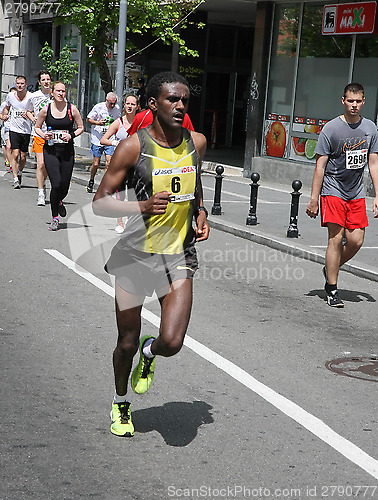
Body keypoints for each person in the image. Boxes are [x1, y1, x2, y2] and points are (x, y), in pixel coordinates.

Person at [93, 71, 209, 437]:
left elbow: (197, 187)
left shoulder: (197, 143)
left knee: (172, 342)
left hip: (178, 254)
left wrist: (201, 213)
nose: (179, 106)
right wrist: (141, 206)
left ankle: (150, 354)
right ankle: (120, 402)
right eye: (172, 99)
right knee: (126, 340)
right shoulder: (134, 147)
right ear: (152, 104)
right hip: (135, 255)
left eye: (185, 100)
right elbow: (100, 204)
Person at [306, 82, 378, 307]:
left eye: (358, 101)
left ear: (363, 102)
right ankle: (332, 289)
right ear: (343, 101)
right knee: (335, 238)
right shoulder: (331, 129)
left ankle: (330, 267)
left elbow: (373, 163)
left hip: (355, 192)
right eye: (350, 101)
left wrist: (377, 194)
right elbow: (320, 166)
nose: (354, 105)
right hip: (333, 189)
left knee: (356, 240)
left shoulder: (370, 128)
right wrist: (314, 198)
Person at [35, 81, 84, 231]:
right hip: (50, 151)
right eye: (58, 91)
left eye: (63, 91)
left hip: (67, 152)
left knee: (64, 187)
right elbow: (37, 127)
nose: (61, 94)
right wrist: (44, 135)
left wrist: (71, 135)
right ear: (53, 92)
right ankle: (55, 218)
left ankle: (59, 200)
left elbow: (81, 127)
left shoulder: (72, 109)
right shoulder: (46, 109)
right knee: (55, 184)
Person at [100, 93, 140, 233]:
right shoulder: (118, 122)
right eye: (127, 103)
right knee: (121, 193)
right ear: (124, 105)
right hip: (120, 163)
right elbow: (103, 140)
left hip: (135, 163)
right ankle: (120, 223)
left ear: (137, 106)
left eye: (132, 104)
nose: (129, 106)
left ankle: (130, 219)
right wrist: (116, 142)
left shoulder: (140, 123)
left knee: (134, 192)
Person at [26, 70, 52, 206]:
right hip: (39, 134)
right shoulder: (34, 96)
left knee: (47, 166)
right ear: (39, 82)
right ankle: (41, 192)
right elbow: (28, 111)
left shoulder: (56, 96)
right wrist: (34, 119)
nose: (46, 82)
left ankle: (43, 183)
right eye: (44, 80)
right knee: (41, 164)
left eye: (48, 79)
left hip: (53, 136)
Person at [86, 92, 121, 193]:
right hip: (97, 138)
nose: (112, 106)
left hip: (109, 139)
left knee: (109, 162)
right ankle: (91, 180)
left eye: (114, 103)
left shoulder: (117, 109)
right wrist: (98, 123)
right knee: (96, 164)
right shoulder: (98, 107)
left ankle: (105, 185)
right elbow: (88, 119)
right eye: (110, 103)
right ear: (106, 100)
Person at [2, 76, 33, 189]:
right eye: (18, 83)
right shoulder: (10, 96)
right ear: (15, 84)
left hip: (26, 130)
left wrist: (29, 114)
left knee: (23, 156)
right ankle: (15, 179)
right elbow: (7, 107)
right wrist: (5, 115)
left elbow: (34, 111)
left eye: (22, 83)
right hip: (13, 129)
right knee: (15, 153)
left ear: (26, 84)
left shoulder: (30, 97)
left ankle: (19, 172)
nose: (20, 85)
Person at [127, 106, 194, 136]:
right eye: (171, 99)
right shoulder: (141, 117)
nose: (180, 106)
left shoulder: (184, 118)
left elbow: (193, 142)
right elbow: (130, 139)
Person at [0, 87, 16, 172]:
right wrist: (3, 117)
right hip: (7, 127)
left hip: (16, 128)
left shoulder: (18, 103)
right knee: (8, 146)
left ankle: (13, 163)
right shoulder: (4, 104)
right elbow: (0, 113)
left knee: (15, 150)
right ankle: (10, 163)